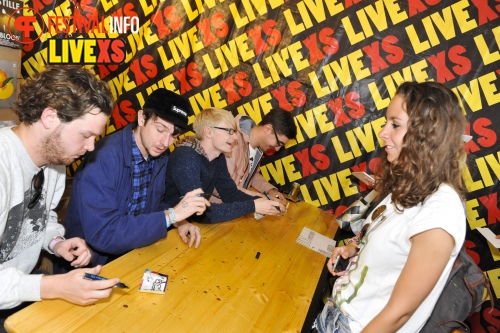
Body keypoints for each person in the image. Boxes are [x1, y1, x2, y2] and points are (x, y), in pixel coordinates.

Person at [314, 81, 467, 333]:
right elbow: (387, 245)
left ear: (427, 134)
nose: (383, 132)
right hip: (335, 314)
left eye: (395, 125)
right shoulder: (407, 185)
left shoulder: (442, 208)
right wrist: (353, 249)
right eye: (386, 122)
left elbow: (399, 313)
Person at [0, 65, 118, 315]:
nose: (90, 147)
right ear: (50, 117)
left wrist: (56, 242)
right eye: (85, 135)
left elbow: (39, 219)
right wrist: (53, 286)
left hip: (21, 291)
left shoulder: (55, 159)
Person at [63, 89, 210, 268]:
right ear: (141, 118)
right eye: (160, 129)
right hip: (90, 262)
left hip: (132, 252)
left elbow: (152, 205)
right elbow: (104, 233)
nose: (165, 142)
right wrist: (172, 215)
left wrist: (180, 221)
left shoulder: (158, 156)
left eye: (174, 135)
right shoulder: (104, 156)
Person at [163, 108, 285, 224]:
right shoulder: (186, 157)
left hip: (187, 224)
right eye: (230, 131)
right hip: (168, 227)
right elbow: (199, 211)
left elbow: (231, 194)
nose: (235, 137)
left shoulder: (218, 157)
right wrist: (253, 206)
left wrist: (262, 202)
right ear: (208, 131)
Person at [212, 108, 297, 206]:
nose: (277, 149)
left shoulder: (257, 150)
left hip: (235, 208)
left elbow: (253, 176)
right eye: (279, 143)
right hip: (215, 210)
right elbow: (219, 186)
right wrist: (259, 199)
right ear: (268, 129)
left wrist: (270, 190)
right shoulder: (232, 142)